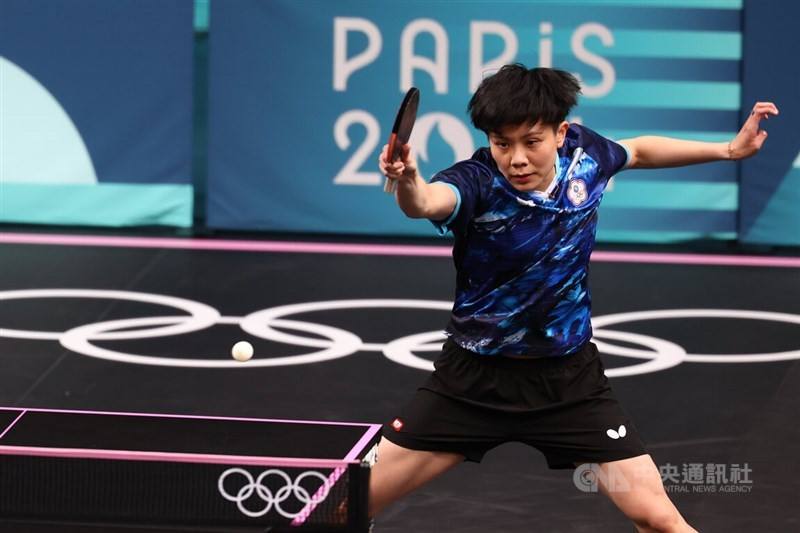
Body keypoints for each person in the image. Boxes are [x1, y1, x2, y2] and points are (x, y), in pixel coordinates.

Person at [372, 64, 778, 532]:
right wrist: (408, 179)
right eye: (502, 144)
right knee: (343, 506)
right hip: (471, 382)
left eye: (531, 141)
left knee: (660, 520)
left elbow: (640, 151)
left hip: (568, 382)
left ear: (561, 132)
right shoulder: (476, 181)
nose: (517, 158)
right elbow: (426, 202)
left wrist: (728, 150)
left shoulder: (587, 157)